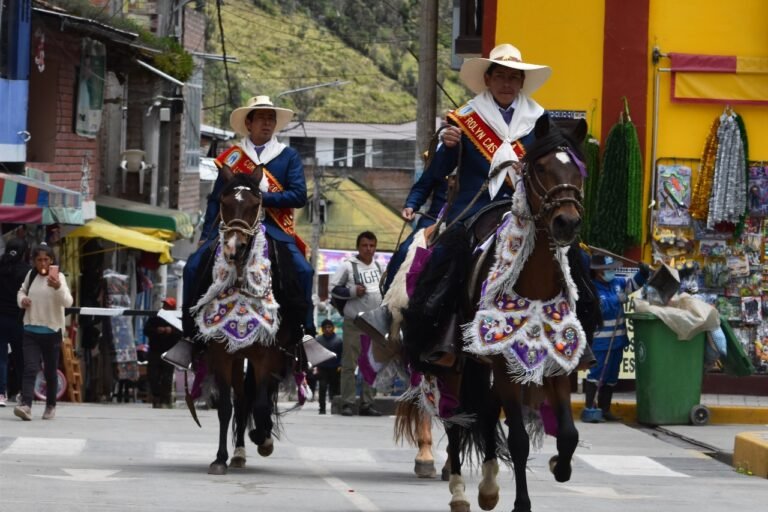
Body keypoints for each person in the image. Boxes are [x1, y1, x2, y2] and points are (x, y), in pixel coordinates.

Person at [165, 95, 312, 370]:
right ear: (249, 122)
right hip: (233, 228)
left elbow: (299, 195)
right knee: (192, 268)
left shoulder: (288, 156)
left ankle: (306, 335)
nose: (267, 123)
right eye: (261, 118)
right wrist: (206, 236)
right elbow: (215, 200)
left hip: (274, 228)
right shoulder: (232, 158)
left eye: (271, 119)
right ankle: (188, 337)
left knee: (304, 271)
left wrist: (258, 199)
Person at [427, 43, 552, 222]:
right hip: (474, 210)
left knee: (570, 249)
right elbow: (439, 170)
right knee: (446, 249)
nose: (506, 84)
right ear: (487, 79)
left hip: (528, 211)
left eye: (514, 77)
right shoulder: (465, 118)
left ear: (522, 81)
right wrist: (448, 147)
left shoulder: (541, 118)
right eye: (499, 76)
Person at [582, 254, 649, 423]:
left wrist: (643, 274)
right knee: (597, 374)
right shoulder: (593, 288)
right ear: (598, 272)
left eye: (612, 268)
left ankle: (605, 410)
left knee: (612, 376)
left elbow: (633, 284)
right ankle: (590, 407)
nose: (612, 271)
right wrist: (616, 299)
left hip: (618, 341)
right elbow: (602, 306)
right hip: (602, 341)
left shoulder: (617, 283)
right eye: (608, 269)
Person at [14, 243, 73, 421]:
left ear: (52, 261)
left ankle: (51, 405)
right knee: (30, 368)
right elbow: (21, 291)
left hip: (52, 331)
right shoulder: (30, 275)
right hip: (30, 329)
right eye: (39, 260)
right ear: (33, 261)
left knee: (50, 371)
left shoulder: (59, 278)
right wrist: (22, 300)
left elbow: (68, 302)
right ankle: (26, 405)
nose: (42, 264)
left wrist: (57, 288)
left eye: (46, 260)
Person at [330, 231, 383, 417]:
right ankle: (348, 402)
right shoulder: (347, 266)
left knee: (372, 364)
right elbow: (333, 289)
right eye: (365, 245)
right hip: (354, 322)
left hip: (375, 323)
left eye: (372, 245)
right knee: (349, 364)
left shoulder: (379, 266)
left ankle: (368, 403)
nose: (368, 249)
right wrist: (352, 291)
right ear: (358, 247)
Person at [0, 239, 30, 406]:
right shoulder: (26, 271)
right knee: (21, 358)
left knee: (1, 358)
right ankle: (22, 393)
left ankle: (0, 394)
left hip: (0, 318)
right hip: (19, 319)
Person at [143, 298, 181, 408]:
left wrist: (171, 331)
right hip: (155, 351)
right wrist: (156, 330)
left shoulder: (176, 319)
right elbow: (146, 330)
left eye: (167, 306)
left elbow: (181, 334)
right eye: (164, 305)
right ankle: (156, 396)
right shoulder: (155, 318)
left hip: (170, 352)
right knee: (152, 375)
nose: (164, 307)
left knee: (167, 377)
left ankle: (165, 399)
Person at [314, 319, 342, 415]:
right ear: (322, 329)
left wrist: (340, 365)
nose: (327, 329)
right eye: (325, 327)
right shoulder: (318, 340)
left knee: (334, 389)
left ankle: (335, 408)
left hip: (335, 368)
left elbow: (342, 354)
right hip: (322, 368)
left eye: (329, 327)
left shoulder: (338, 340)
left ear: (333, 328)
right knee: (322, 387)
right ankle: (322, 408)